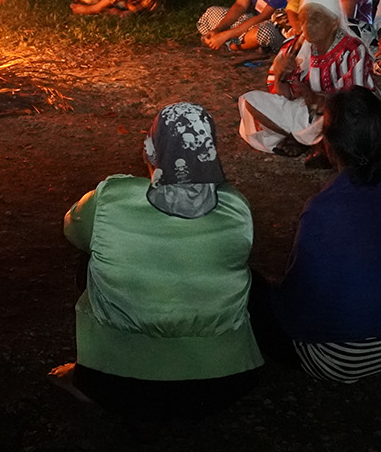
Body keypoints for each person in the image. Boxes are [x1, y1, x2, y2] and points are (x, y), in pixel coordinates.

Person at [50, 102, 262, 416]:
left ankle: (90, 377)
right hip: (225, 381)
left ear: (150, 151)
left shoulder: (110, 198)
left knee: (91, 255)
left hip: (116, 379)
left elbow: (72, 230)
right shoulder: (236, 207)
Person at [259, 89, 381, 382]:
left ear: (329, 145)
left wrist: (269, 291)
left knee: (250, 287)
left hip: (333, 357)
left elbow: (299, 299)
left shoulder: (325, 208)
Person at [237, 0, 375, 158]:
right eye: (303, 18)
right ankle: (305, 141)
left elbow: (356, 101)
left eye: (316, 18)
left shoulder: (351, 50)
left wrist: (316, 99)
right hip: (302, 112)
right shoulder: (292, 47)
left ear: (334, 22)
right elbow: (282, 99)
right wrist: (281, 75)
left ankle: (307, 141)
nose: (307, 24)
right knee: (250, 101)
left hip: (334, 114)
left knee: (346, 121)